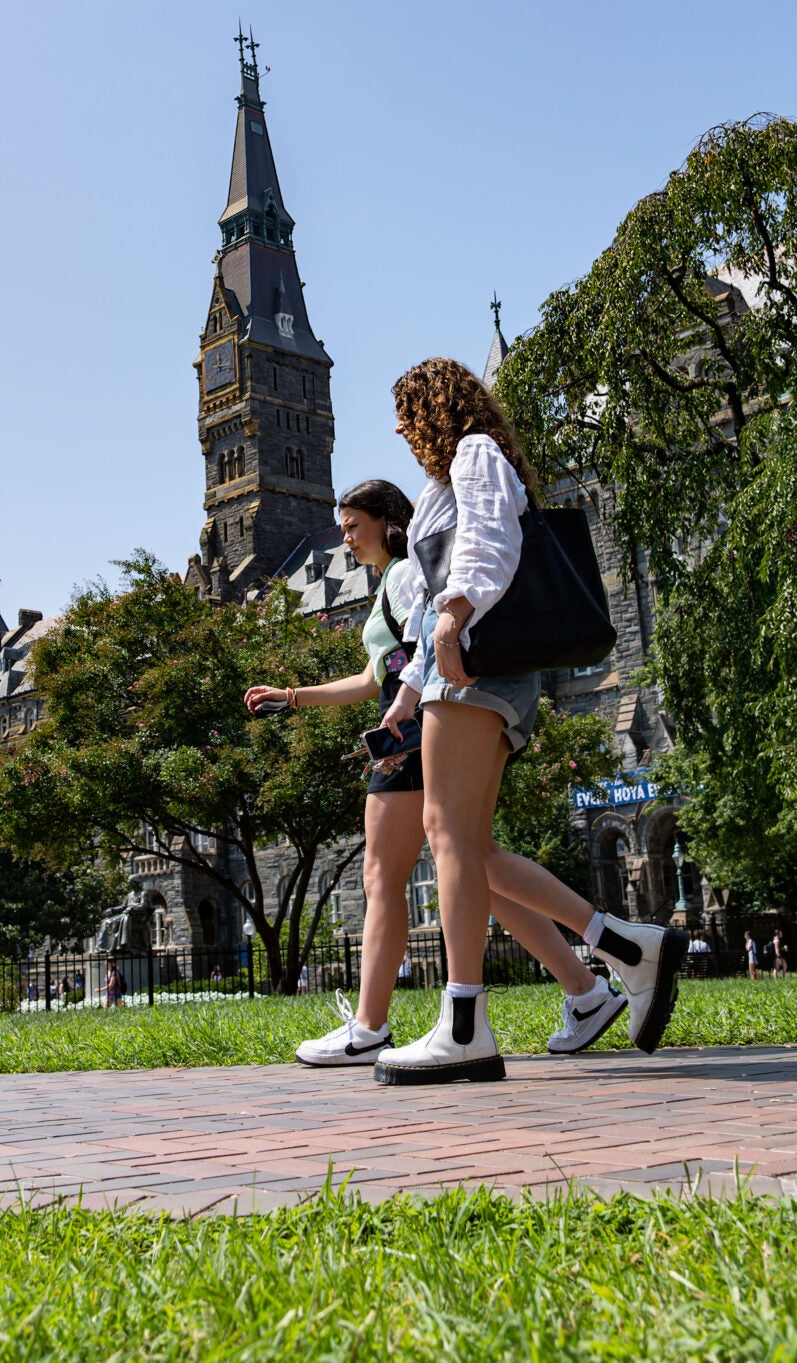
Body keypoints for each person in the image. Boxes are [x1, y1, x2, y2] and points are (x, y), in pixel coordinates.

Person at [247, 479, 644, 1069]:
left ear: (386, 520)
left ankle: (369, 1027)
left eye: (354, 525)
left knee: (385, 873)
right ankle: (586, 990)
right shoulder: (391, 580)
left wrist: (400, 725)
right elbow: (370, 676)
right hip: (414, 716)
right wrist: (294, 696)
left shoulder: (408, 573)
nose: (347, 538)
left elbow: (418, 658)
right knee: (474, 864)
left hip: (416, 723)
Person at [367, 359, 680, 1084]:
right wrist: (409, 689)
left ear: (434, 407)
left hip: (480, 667)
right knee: (467, 850)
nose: (398, 428)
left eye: (406, 410)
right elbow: (434, 593)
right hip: (456, 669)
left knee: (453, 842)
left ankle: (467, 1022)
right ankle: (627, 949)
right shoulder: (444, 479)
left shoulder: (475, 453)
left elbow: (489, 544)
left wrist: (453, 618)